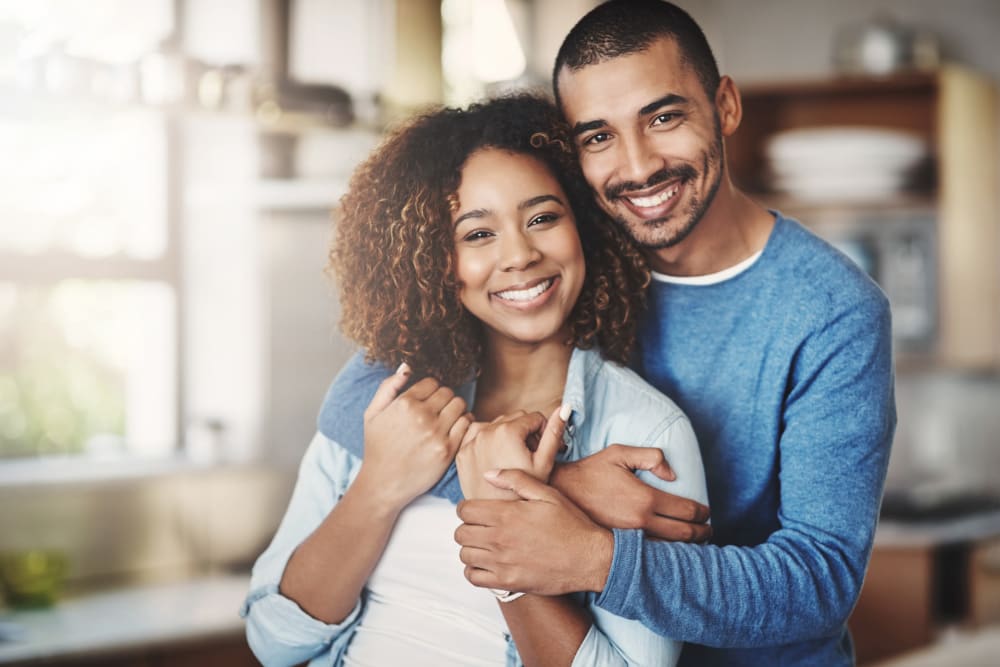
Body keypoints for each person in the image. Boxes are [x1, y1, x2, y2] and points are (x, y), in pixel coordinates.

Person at [315, 1, 897, 665]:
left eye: (664, 117)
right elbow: (354, 402)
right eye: (598, 137)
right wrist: (560, 484)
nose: (639, 165)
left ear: (726, 106)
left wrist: (597, 556)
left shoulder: (832, 312)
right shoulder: (569, 271)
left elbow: (817, 582)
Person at [240, 93, 708, 667]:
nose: (519, 255)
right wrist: (379, 486)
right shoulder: (388, 398)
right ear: (436, 260)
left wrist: (506, 525)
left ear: (584, 226)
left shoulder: (644, 433)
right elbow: (274, 640)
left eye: (542, 218)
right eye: (477, 234)